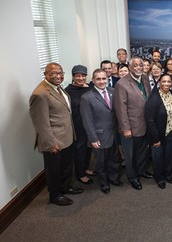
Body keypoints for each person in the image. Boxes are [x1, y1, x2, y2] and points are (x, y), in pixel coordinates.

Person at [29, 63, 83, 206]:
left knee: (66, 166)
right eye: (53, 73)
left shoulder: (59, 88)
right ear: (45, 74)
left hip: (66, 136)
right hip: (54, 140)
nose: (58, 76)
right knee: (54, 170)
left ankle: (65, 187)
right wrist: (51, 143)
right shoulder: (40, 94)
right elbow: (41, 123)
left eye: (60, 73)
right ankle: (55, 195)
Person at [80, 69, 122, 194]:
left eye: (104, 78)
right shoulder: (87, 98)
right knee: (101, 162)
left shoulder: (113, 92)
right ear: (93, 80)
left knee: (114, 158)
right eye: (98, 79)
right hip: (99, 136)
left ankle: (114, 178)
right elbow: (87, 121)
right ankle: (104, 184)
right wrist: (93, 138)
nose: (102, 81)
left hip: (114, 133)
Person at [114, 56, 153, 190]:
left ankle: (142, 171)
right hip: (130, 127)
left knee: (142, 151)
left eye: (140, 65)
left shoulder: (145, 79)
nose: (138, 68)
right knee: (130, 155)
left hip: (145, 125)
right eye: (135, 65)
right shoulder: (122, 84)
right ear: (129, 67)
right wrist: (125, 128)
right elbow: (120, 109)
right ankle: (133, 177)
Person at [145, 74, 172, 189]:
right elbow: (150, 120)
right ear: (159, 82)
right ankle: (159, 178)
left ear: (171, 83)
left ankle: (168, 174)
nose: (166, 84)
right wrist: (156, 139)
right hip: (158, 136)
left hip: (171, 132)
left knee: (169, 156)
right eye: (163, 81)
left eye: (168, 81)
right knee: (158, 158)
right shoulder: (154, 98)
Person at [64, 65, 93, 185]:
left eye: (83, 75)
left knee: (89, 147)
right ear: (73, 76)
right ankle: (80, 174)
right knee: (80, 149)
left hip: (90, 123)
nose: (80, 78)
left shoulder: (90, 88)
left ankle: (86, 168)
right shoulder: (68, 91)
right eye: (77, 75)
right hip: (78, 124)